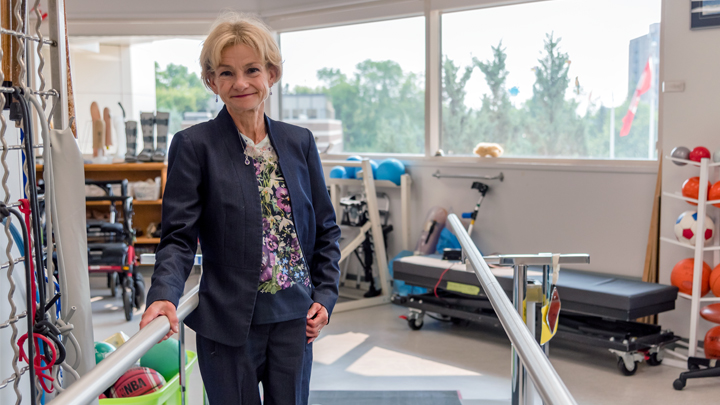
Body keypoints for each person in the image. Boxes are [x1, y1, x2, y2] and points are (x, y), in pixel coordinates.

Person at [140, 13, 341, 405]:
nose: (241, 83)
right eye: (226, 73)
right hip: (228, 325)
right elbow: (179, 237)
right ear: (212, 81)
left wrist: (326, 296)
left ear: (272, 73)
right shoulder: (195, 145)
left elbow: (326, 229)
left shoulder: (300, 141)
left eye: (251, 70)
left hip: (294, 321)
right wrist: (163, 293)